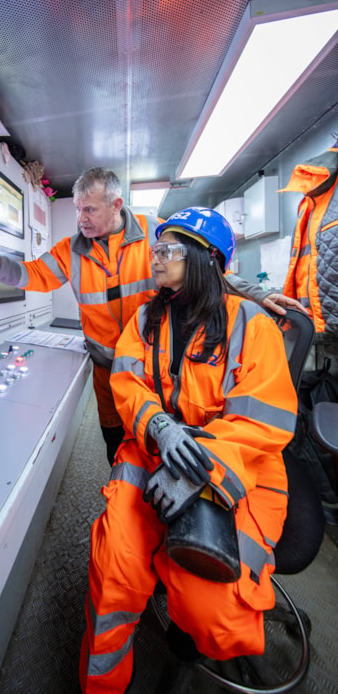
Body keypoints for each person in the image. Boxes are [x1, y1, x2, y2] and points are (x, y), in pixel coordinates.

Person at [79, 207, 298, 693]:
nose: (155, 259)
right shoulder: (145, 318)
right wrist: (157, 424)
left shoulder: (251, 325)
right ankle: (102, 686)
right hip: (151, 454)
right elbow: (126, 379)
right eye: (155, 249)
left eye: (167, 251)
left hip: (238, 469)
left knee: (213, 610)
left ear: (203, 259)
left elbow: (263, 421)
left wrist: (199, 468)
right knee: (114, 568)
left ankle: (189, 618)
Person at [0, 167, 303, 465]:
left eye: (90, 209)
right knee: (117, 439)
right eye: (78, 209)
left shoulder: (155, 233)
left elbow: (205, 268)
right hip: (106, 366)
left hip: (156, 364)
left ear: (116, 206)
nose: (81, 218)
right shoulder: (71, 250)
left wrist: (258, 294)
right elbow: (32, 275)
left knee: (161, 433)